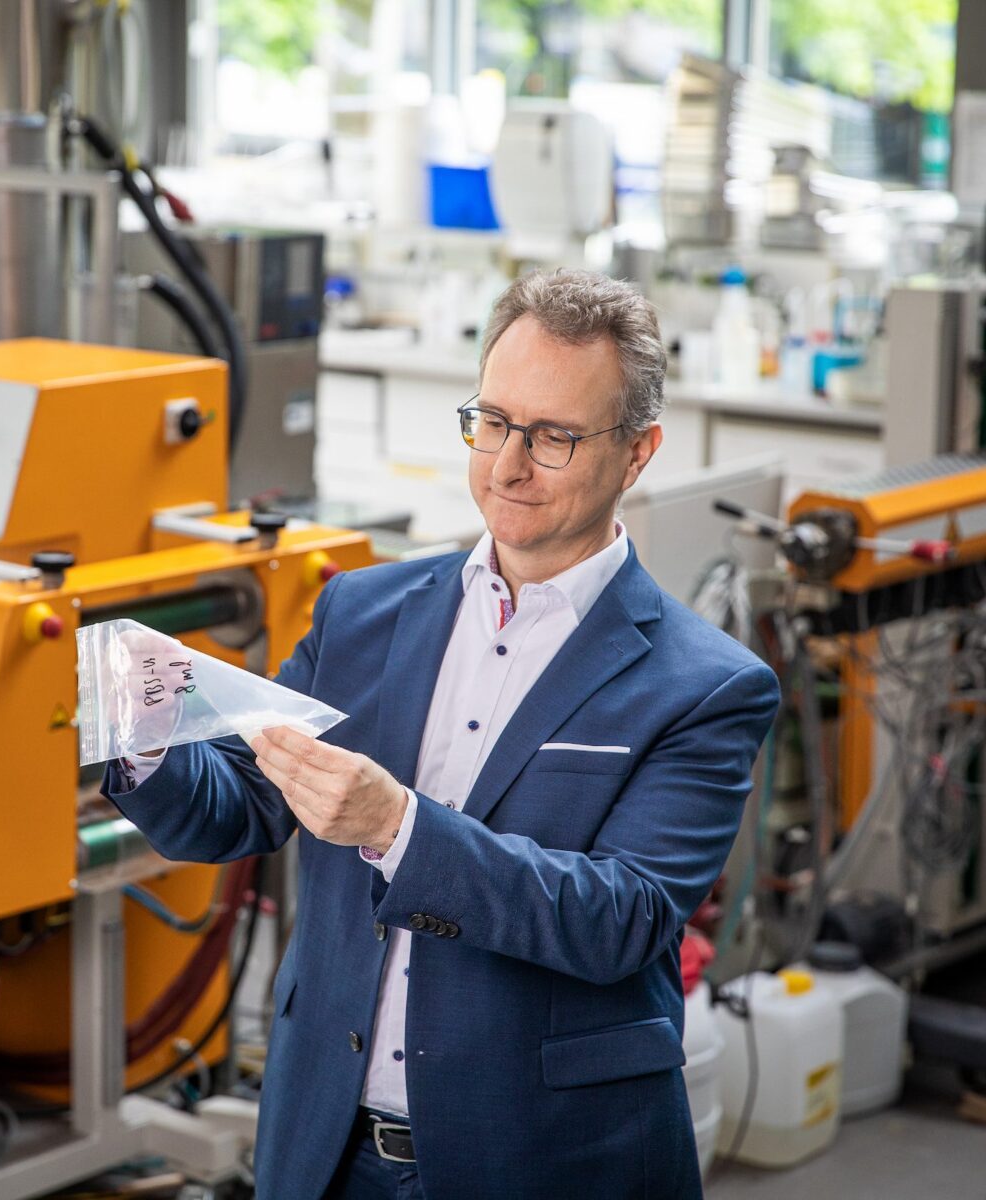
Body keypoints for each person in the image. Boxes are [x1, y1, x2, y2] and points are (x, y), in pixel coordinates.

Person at [106, 269, 779, 1199]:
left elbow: (618, 921)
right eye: (494, 421)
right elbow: (240, 810)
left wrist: (397, 829)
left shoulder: (705, 686)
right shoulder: (364, 611)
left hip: (543, 1160)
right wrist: (140, 728)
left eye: (553, 437)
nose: (507, 465)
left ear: (638, 453)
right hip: (327, 1148)